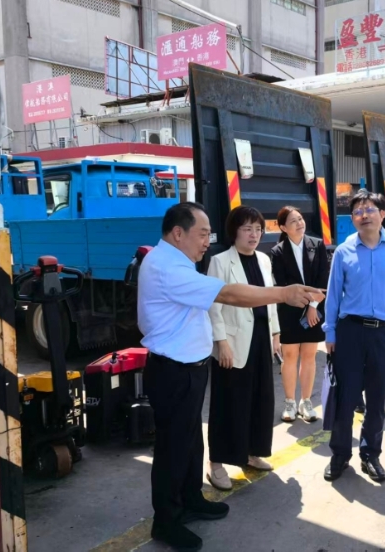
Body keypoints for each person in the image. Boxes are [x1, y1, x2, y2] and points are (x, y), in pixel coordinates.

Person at [138, 202, 325, 551]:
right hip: (173, 371)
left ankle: (191, 499)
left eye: (209, 234)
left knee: (190, 442)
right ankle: (166, 521)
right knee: (173, 449)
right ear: (178, 233)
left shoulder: (179, 261)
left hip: (188, 369)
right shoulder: (167, 267)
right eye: (202, 234)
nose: (206, 241)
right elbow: (227, 294)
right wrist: (284, 293)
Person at [322, 190, 385, 484]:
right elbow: (333, 295)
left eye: (370, 209)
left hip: (384, 333)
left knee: (376, 399)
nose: (364, 215)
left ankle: (370, 454)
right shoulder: (344, 251)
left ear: (382, 214)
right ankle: (339, 455)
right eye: (358, 211)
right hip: (350, 332)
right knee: (345, 397)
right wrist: (330, 331)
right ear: (352, 219)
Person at [206, 206, 280, 491]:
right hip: (233, 341)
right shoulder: (220, 261)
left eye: (258, 229)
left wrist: (275, 333)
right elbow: (213, 305)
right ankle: (216, 463)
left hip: (260, 338)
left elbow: (270, 298)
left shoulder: (264, 259)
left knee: (260, 399)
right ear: (234, 231)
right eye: (247, 228)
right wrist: (221, 342)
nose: (254, 234)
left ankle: (252, 452)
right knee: (229, 403)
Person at [269, 206, 329, 423]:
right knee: (290, 356)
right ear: (283, 227)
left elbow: (323, 278)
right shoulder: (277, 252)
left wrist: (313, 305)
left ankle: (306, 401)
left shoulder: (317, 245)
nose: (299, 224)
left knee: (309, 356)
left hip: (314, 309)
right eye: (293, 221)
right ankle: (290, 403)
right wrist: (305, 303)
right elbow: (282, 284)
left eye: (301, 219)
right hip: (289, 311)